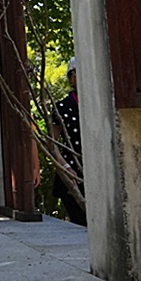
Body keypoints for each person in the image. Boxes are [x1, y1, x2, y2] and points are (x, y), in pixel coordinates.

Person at [51, 57, 86, 226]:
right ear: (71, 78)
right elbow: (52, 143)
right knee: (80, 222)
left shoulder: (104, 103)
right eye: (79, 74)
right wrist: (65, 167)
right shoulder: (62, 108)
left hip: (100, 173)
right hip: (72, 174)